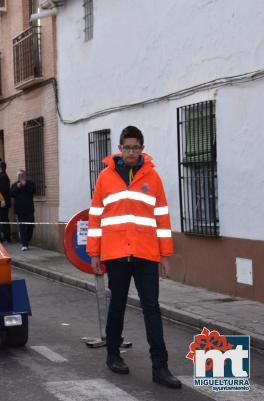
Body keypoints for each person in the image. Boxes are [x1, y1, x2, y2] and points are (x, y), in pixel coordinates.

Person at [86, 126, 181, 389]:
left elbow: (162, 219)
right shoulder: (105, 177)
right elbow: (95, 217)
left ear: (142, 148)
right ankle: (113, 355)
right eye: (126, 147)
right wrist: (94, 252)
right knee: (117, 305)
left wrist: (166, 254)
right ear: (119, 149)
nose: (131, 152)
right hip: (116, 254)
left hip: (146, 254)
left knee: (152, 308)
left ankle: (160, 367)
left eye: (135, 147)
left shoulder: (154, 178)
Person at [10, 170, 35, 251]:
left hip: (29, 210)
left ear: (25, 176)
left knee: (30, 226)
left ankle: (27, 239)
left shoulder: (30, 183)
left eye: (22, 175)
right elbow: (11, 194)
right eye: (19, 176)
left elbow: (33, 191)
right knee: (22, 228)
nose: (21, 177)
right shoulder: (15, 185)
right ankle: (24, 244)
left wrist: (26, 185)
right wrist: (18, 187)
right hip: (19, 211)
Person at [0, 161, 11, 242]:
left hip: (2, 202)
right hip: (5, 201)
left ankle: (6, 236)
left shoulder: (0, 177)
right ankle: (7, 236)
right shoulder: (5, 176)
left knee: (2, 219)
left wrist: (1, 200)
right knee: (5, 219)